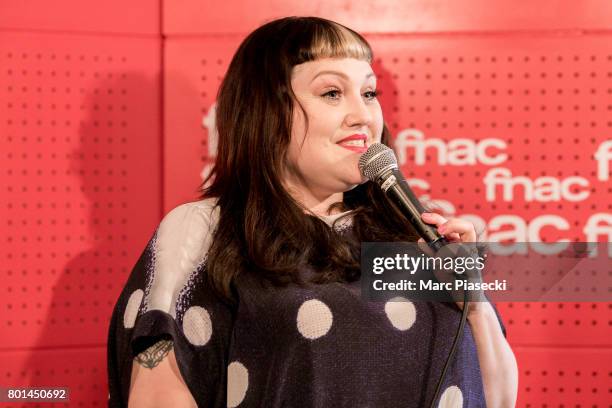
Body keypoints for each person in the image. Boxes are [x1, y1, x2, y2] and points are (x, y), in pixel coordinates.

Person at [107, 16, 518, 408]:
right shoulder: (204, 230)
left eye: (369, 93)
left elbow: (497, 398)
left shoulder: (418, 235)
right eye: (332, 93)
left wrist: (474, 299)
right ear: (267, 112)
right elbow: (158, 387)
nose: (362, 116)